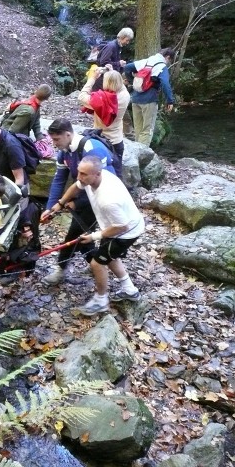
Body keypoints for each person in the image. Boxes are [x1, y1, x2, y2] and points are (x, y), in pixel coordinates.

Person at [43, 155, 144, 316]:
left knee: (97, 263)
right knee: (110, 257)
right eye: (79, 172)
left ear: (97, 174)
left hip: (126, 232)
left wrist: (94, 237)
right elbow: (76, 187)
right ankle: (130, 290)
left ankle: (101, 301)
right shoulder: (91, 179)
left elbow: (121, 226)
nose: (79, 177)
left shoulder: (108, 198)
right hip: (115, 225)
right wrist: (60, 203)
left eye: (83, 174)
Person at [39, 118, 116, 285]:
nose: (54, 143)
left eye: (56, 139)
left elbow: (104, 185)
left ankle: (62, 270)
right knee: (83, 235)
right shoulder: (64, 151)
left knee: (75, 234)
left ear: (68, 134)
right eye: (52, 139)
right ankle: (95, 263)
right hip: (86, 196)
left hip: (104, 200)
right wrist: (51, 207)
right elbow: (59, 180)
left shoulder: (91, 149)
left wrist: (77, 203)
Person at [78, 70, 130, 179]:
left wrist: (92, 78)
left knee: (100, 174)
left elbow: (81, 96)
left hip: (101, 141)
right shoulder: (125, 95)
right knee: (117, 173)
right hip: (117, 141)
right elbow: (119, 85)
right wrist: (112, 72)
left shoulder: (100, 101)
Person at [124, 48, 176, 146]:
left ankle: (136, 152)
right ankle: (142, 155)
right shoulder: (161, 66)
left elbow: (127, 68)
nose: (169, 63)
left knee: (138, 129)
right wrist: (170, 101)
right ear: (168, 57)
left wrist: (132, 81)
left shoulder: (146, 61)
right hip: (149, 101)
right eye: (170, 60)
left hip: (135, 99)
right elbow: (165, 83)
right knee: (147, 130)